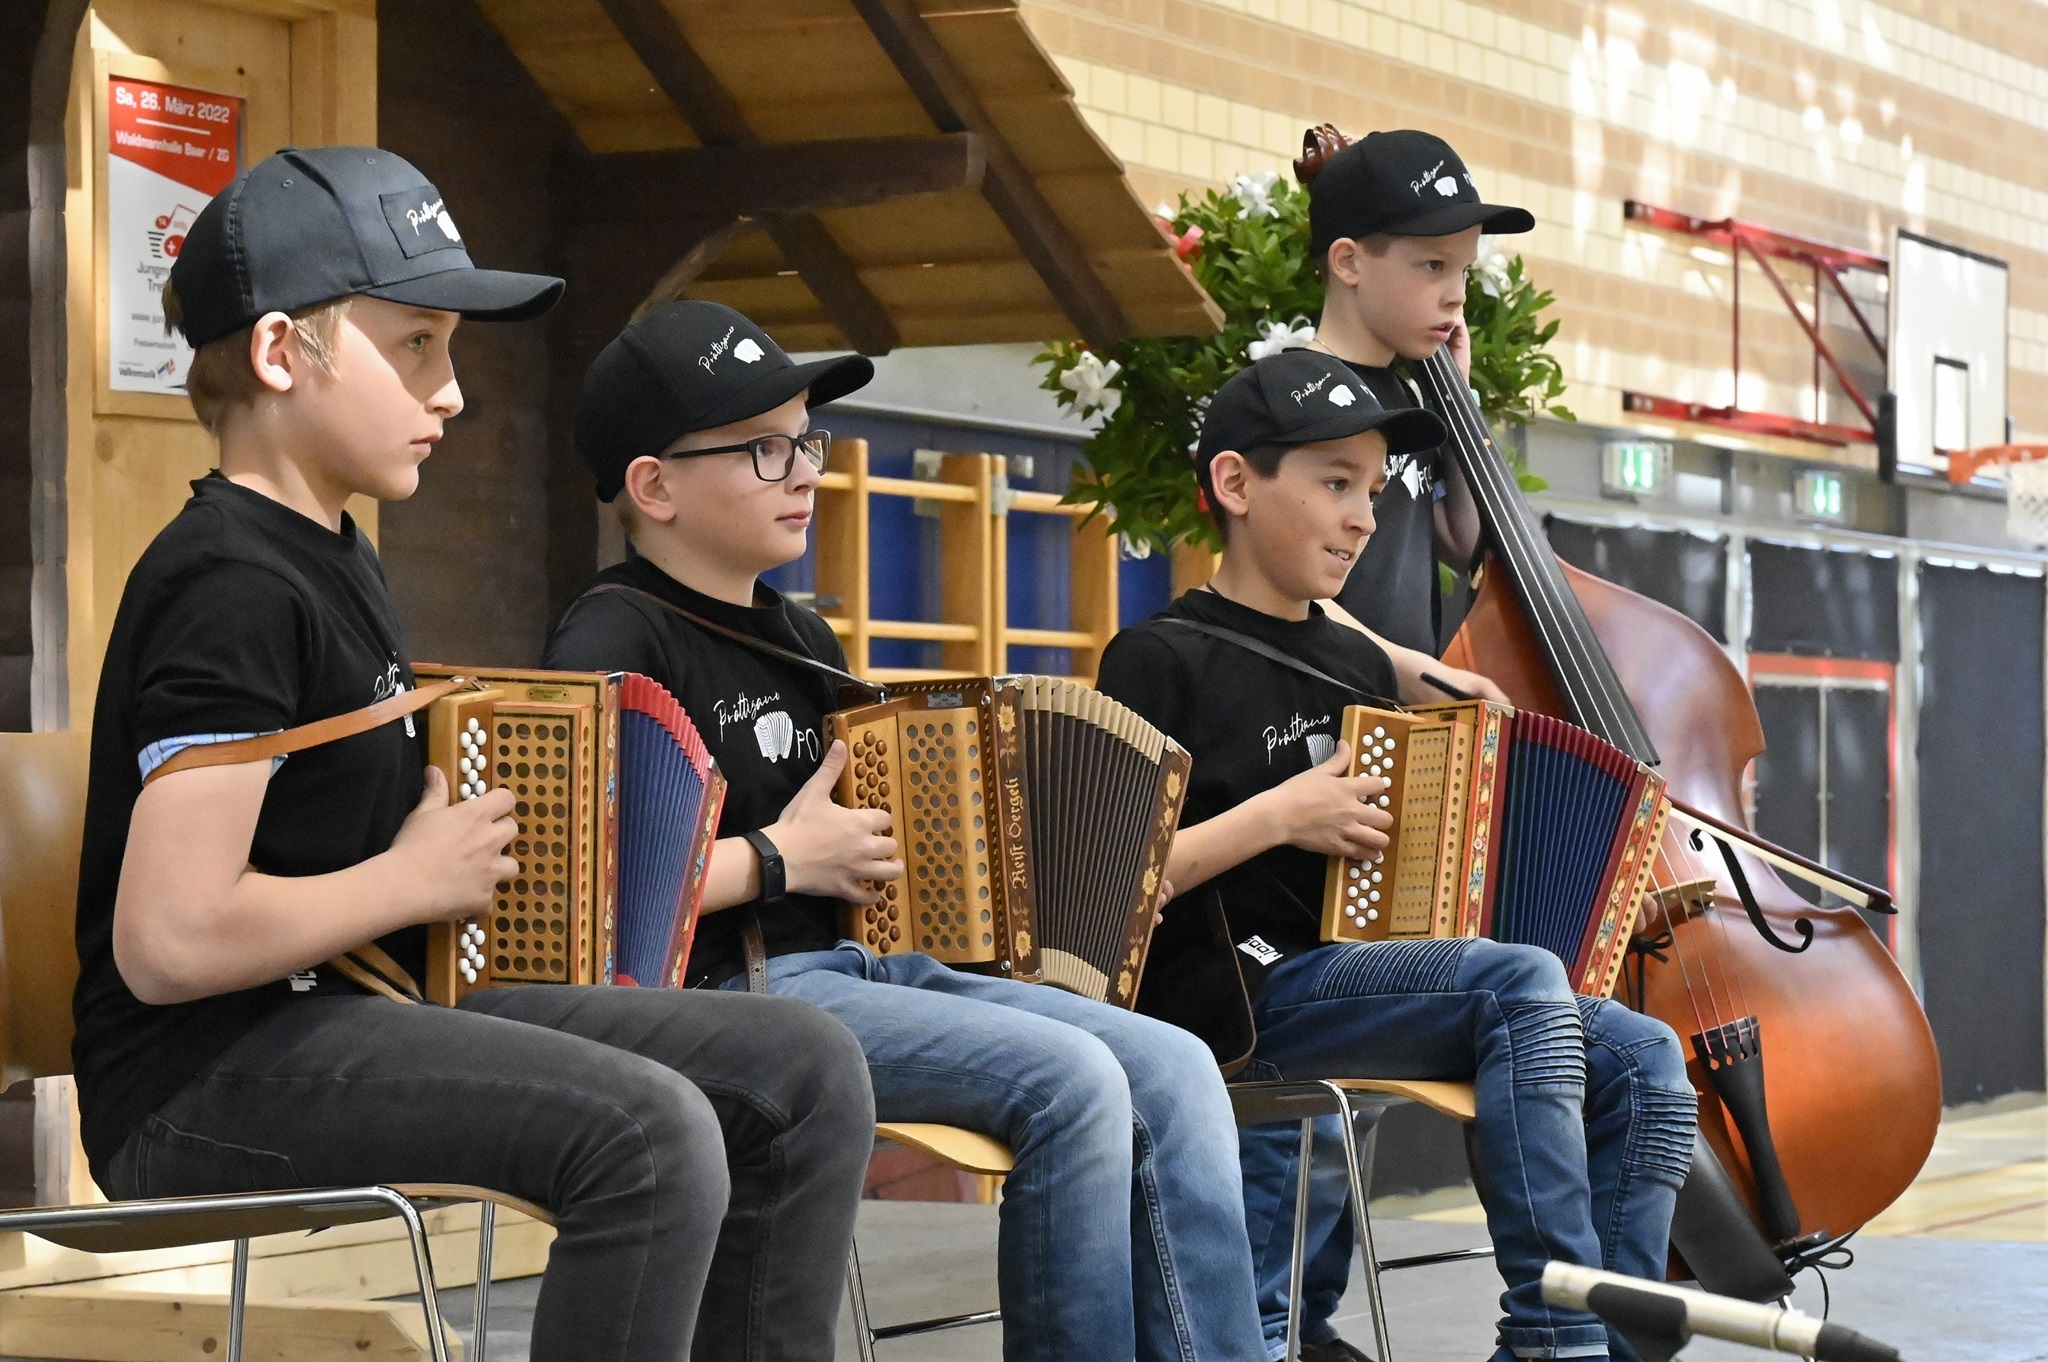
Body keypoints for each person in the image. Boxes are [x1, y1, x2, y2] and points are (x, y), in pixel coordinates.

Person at [71, 147, 876, 1362]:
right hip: (200, 1081)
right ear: (283, 352)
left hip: (352, 1020)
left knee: (805, 1066)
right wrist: (410, 881)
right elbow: (170, 942)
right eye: (417, 347)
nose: (453, 394)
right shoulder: (227, 581)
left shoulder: (333, 550)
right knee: (648, 1135)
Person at [542, 299, 1267, 1362]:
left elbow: (887, 850)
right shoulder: (611, 636)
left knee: (1174, 1067)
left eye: (805, 441)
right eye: (764, 448)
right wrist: (779, 859)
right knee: (1071, 1084)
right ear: (651, 485)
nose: (803, 470)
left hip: (859, 972)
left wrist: (1031, 878)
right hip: (728, 1001)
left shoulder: (803, 635)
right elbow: (580, 889)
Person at [1095, 349, 1697, 1362]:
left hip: (1345, 975)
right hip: (1231, 997)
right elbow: (1108, 889)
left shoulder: (1350, 657)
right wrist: (1278, 815)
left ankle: (1613, 1344)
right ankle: (1555, 1339)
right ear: (1235, 484)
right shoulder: (1155, 659)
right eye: (1333, 483)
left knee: (1643, 1055)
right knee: (1517, 985)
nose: (1363, 517)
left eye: (1371, 490)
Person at [1304, 129, 1520, 678]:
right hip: (1329, 708)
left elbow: (1462, 539)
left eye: (1464, 270)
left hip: (1400, 715)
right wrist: (1417, 673)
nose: (1457, 295)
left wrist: (1458, 402)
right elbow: (1286, 591)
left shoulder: (1406, 396)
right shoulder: (1299, 395)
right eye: (1433, 266)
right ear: (1349, 263)